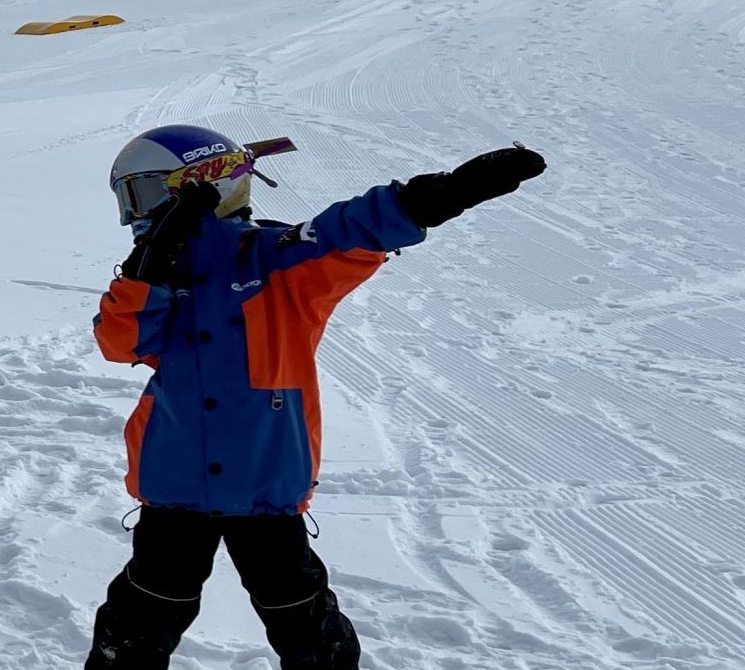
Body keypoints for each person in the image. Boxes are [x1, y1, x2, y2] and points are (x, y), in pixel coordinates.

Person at [85, 125, 548, 669]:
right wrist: (147, 269)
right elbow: (120, 343)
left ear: (198, 184)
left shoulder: (278, 263)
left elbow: (347, 231)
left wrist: (428, 199)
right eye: (128, 200)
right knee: (142, 614)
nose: (134, 217)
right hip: (174, 479)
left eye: (142, 194)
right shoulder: (156, 277)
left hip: (264, 482)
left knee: (299, 613)